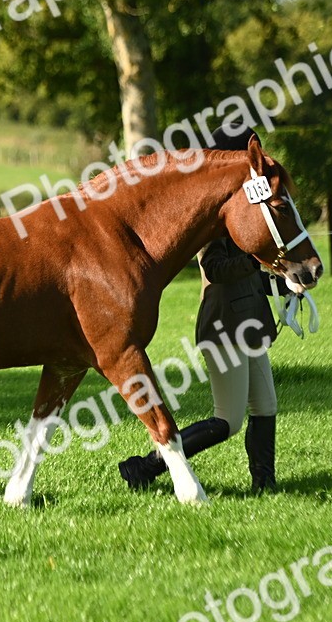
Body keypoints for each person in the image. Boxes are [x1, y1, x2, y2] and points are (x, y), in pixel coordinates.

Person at [117, 125, 280, 493]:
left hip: (251, 320)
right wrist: (256, 261)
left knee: (266, 406)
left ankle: (265, 484)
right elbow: (214, 268)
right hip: (225, 326)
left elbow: (251, 271)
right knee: (228, 420)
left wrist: (281, 281)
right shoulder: (216, 220)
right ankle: (146, 467)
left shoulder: (247, 210)